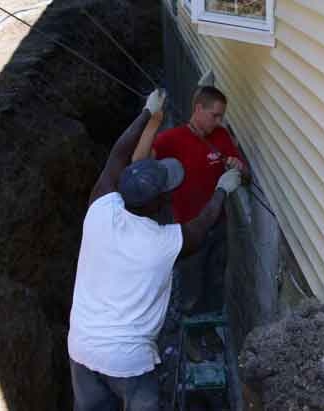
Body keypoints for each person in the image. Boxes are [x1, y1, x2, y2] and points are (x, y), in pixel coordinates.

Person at [67, 89, 242, 411]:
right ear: (160, 201)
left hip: (81, 347)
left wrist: (148, 114)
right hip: (128, 360)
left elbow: (117, 156)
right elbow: (201, 228)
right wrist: (221, 191)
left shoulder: (101, 211)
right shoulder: (162, 244)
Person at [132, 85, 248, 361]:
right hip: (187, 232)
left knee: (215, 283)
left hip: (218, 226)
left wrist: (239, 168)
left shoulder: (220, 137)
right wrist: (152, 119)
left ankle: (207, 332)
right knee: (192, 288)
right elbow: (138, 161)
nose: (219, 122)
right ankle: (192, 339)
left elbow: (245, 174)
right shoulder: (173, 139)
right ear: (198, 109)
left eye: (221, 116)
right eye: (215, 115)